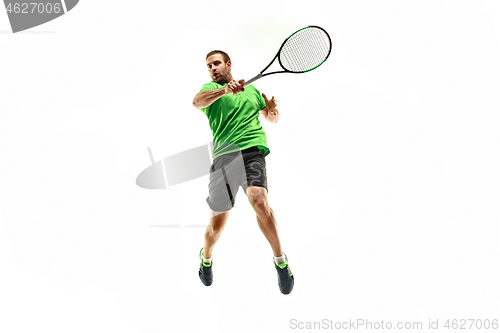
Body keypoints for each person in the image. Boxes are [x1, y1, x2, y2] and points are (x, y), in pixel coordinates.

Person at [192, 50, 293, 294]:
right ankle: (206, 258)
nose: (212, 68)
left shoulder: (251, 90)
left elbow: (272, 118)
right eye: (208, 66)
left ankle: (281, 262)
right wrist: (225, 91)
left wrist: (271, 110)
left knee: (258, 198)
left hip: (252, 150)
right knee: (216, 226)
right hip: (224, 156)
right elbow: (197, 102)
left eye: (216, 63)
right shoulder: (210, 90)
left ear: (228, 64)